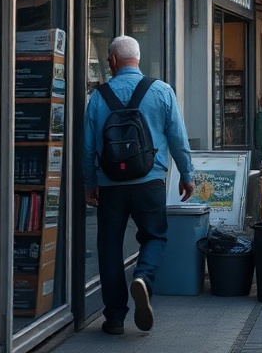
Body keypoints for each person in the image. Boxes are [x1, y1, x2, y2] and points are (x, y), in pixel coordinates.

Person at [82, 36, 194, 336]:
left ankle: (115, 318)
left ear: (113, 61)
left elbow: (88, 146)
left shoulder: (98, 96)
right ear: (138, 59)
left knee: (108, 248)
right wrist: (187, 174)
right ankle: (143, 276)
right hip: (149, 182)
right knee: (155, 236)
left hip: (110, 185)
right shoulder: (161, 91)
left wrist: (90, 183)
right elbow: (178, 140)